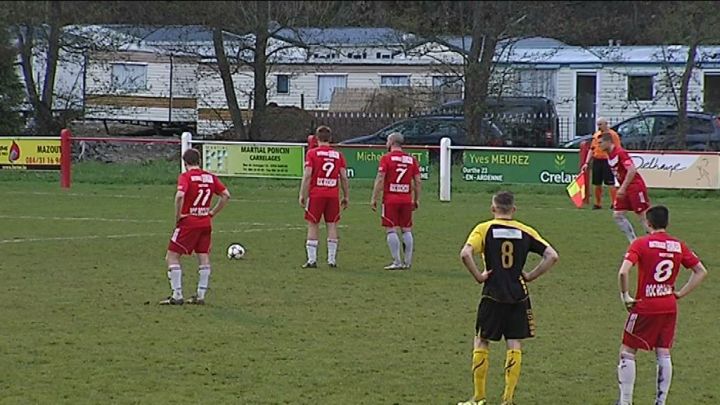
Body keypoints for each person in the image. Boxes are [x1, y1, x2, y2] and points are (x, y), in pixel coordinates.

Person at [457, 191, 559, 405]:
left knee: (482, 340)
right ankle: (508, 399)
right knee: (514, 343)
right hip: (518, 294)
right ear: (513, 210)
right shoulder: (525, 230)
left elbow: (466, 253)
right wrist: (530, 275)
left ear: (493, 209)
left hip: (492, 293)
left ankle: (479, 398)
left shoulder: (484, 229)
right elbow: (552, 255)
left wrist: (479, 276)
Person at [616, 205, 707, 405]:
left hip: (645, 305)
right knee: (663, 351)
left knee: (628, 350)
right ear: (667, 223)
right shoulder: (678, 245)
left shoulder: (640, 244)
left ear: (648, 223)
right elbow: (700, 271)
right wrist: (680, 293)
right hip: (669, 305)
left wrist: (625, 296)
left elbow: (623, 272)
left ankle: (625, 401)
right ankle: (660, 401)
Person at [161, 148, 231, 305]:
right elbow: (226, 195)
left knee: (172, 256)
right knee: (203, 255)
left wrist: (178, 216)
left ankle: (177, 295)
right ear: (199, 161)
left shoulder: (186, 177)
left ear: (185, 163)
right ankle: (200, 295)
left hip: (189, 222)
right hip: (205, 222)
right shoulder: (210, 177)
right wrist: (212, 212)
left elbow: (180, 195)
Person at [298, 125, 349, 268]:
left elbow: (308, 175)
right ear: (330, 138)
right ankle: (331, 260)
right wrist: (346, 196)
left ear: (316, 138)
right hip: (333, 195)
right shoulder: (338, 155)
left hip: (316, 195)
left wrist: (303, 194)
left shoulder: (312, 154)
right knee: (332, 225)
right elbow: (344, 177)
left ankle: (312, 260)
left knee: (313, 225)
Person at [370, 132, 422, 270]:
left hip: (390, 199)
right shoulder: (411, 159)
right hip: (406, 199)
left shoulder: (386, 158)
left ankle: (397, 261)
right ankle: (408, 262)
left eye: (387, 140)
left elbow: (380, 178)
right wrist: (416, 199)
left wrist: (374, 197)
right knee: (406, 229)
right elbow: (417, 181)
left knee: (390, 229)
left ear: (392, 142)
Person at [598, 132, 651, 242]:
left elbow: (631, 170)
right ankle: (633, 242)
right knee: (617, 215)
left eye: (601, 143)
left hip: (635, 187)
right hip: (625, 188)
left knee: (642, 215)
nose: (599, 145)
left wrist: (622, 187)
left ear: (608, 142)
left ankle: (653, 240)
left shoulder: (620, 153)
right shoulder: (609, 154)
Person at [581, 117, 622, 210]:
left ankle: (615, 203)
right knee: (597, 183)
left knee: (611, 183)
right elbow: (592, 149)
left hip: (608, 160)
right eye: (598, 125)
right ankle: (597, 203)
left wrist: (616, 160)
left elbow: (618, 148)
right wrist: (587, 162)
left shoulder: (613, 135)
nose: (599, 127)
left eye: (600, 124)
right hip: (597, 160)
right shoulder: (597, 135)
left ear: (606, 124)